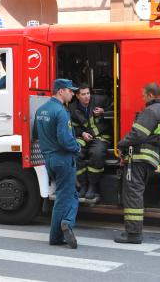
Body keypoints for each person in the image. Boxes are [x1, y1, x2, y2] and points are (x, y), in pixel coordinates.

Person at [114, 83, 160, 244]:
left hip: (138, 157)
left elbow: (138, 134)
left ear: (151, 95)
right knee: (137, 193)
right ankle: (134, 231)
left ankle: (133, 234)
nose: (142, 98)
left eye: (143, 95)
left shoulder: (151, 111)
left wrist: (121, 144)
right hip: (150, 159)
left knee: (133, 194)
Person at [34, 78, 81, 249]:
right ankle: (65, 225)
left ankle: (58, 233)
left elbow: (35, 134)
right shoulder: (61, 112)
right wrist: (77, 148)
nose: (72, 93)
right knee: (64, 196)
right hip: (63, 158)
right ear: (60, 91)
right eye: (70, 90)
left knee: (68, 194)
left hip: (49, 159)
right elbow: (64, 138)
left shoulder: (41, 110)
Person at [69, 83, 111, 200]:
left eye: (88, 93)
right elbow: (72, 127)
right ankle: (83, 185)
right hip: (83, 137)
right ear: (77, 96)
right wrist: (81, 133)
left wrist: (104, 111)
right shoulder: (72, 108)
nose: (87, 96)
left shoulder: (100, 100)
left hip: (100, 136)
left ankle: (92, 186)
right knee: (75, 152)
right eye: (83, 94)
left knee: (97, 153)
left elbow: (117, 108)